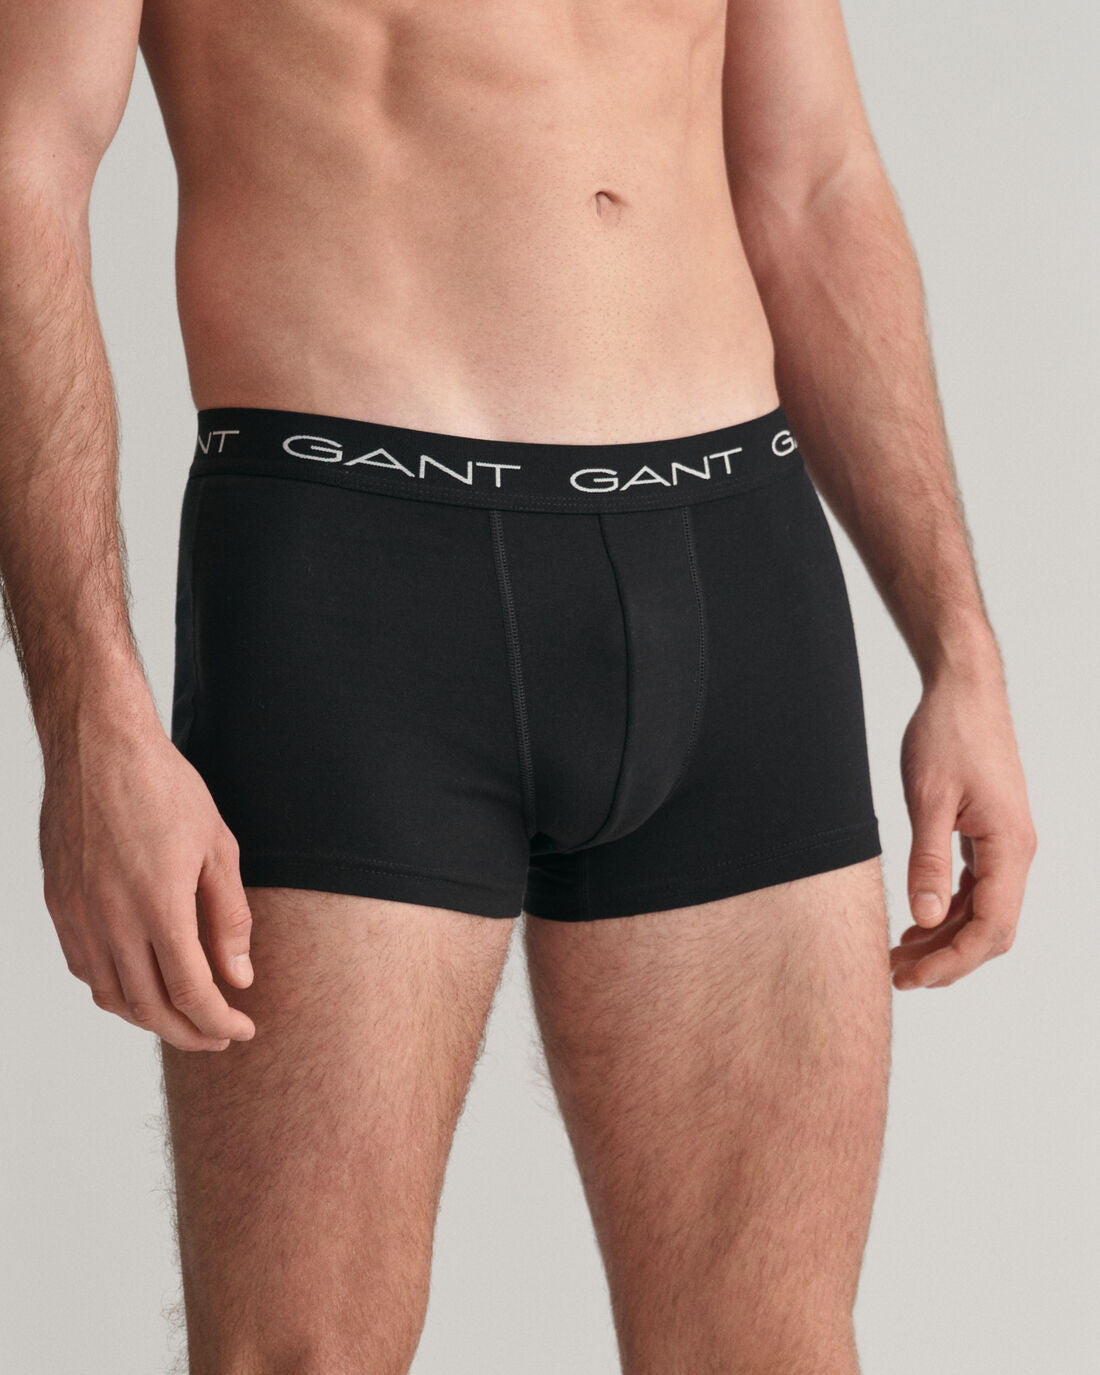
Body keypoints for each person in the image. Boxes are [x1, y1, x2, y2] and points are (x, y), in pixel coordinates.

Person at [0, 1, 1036, 1371]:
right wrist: (89, 718)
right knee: (301, 1355)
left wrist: (961, 649)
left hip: (734, 568)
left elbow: (814, 178)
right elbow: (21, 161)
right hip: (361, 574)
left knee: (774, 1351)